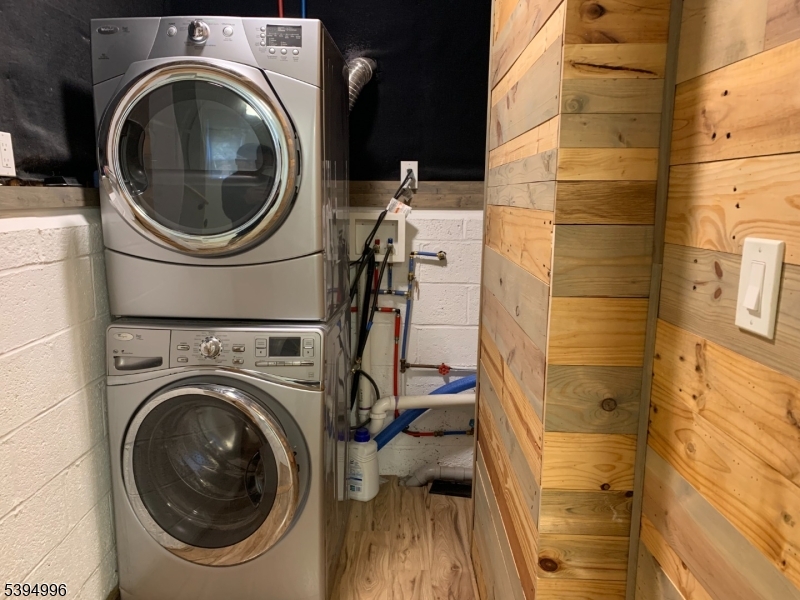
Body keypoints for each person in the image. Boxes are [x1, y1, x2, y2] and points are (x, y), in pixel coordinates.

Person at [221, 143, 276, 226]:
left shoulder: (271, 181)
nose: (251, 165)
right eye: (247, 161)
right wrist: (247, 199)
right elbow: (229, 212)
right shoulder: (230, 182)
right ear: (237, 161)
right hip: (243, 229)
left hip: (270, 225)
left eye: (263, 163)